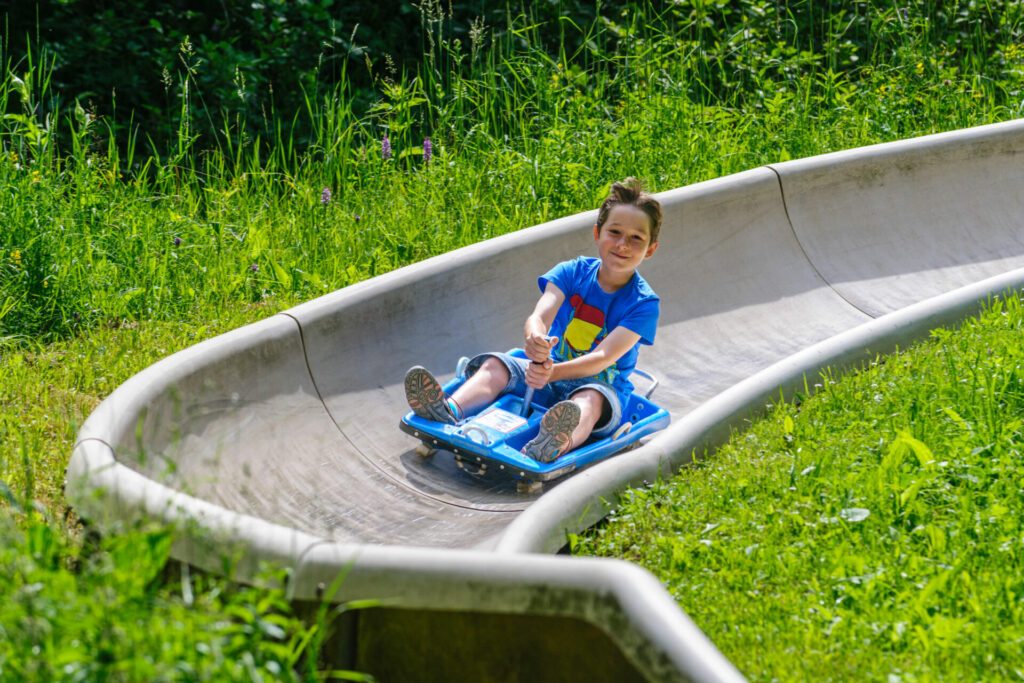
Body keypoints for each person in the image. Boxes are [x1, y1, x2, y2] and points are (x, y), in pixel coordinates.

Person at [404, 177, 662, 463]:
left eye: (636, 238)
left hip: (600, 386)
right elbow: (541, 314)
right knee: (497, 364)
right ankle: (447, 410)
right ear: (597, 233)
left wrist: (554, 373)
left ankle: (554, 443)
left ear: (650, 249)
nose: (623, 244)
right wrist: (535, 338)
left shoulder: (643, 303)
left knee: (588, 401)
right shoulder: (573, 271)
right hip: (546, 372)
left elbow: (603, 357)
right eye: (614, 232)